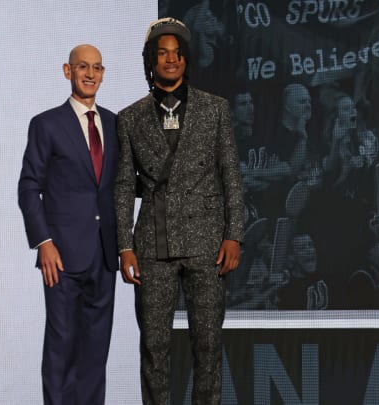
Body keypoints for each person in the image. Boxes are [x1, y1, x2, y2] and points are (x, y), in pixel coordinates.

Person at [114, 17, 244, 405]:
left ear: (186, 59)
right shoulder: (129, 118)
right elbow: (123, 186)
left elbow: (231, 177)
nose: (170, 60)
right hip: (152, 245)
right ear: (150, 61)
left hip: (207, 244)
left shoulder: (214, 110)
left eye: (177, 53)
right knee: (154, 349)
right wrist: (124, 246)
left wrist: (234, 234)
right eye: (162, 53)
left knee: (208, 345)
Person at [18, 44, 118, 405]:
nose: (90, 74)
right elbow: (29, 185)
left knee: (96, 352)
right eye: (82, 67)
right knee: (61, 347)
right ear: (67, 71)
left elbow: (118, 186)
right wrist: (43, 242)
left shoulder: (114, 123)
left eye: (96, 68)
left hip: (104, 256)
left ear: (103, 73)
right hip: (60, 257)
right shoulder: (46, 124)